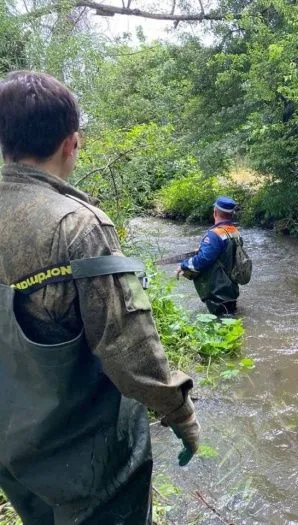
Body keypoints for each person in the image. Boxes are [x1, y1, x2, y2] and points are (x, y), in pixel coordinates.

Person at [0, 71, 200, 524]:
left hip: (12, 447)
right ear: (73, 142)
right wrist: (181, 414)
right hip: (87, 460)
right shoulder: (79, 227)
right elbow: (130, 346)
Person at [176, 196, 242, 316]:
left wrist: (183, 265)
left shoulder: (214, 235)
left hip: (217, 292)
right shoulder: (235, 232)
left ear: (215, 212)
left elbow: (202, 260)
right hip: (230, 290)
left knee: (220, 323)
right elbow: (226, 254)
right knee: (231, 321)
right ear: (231, 214)